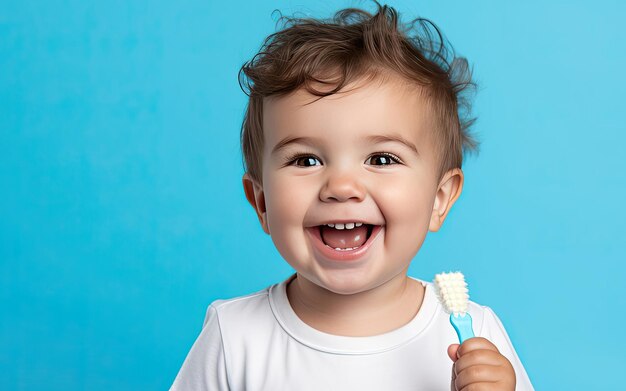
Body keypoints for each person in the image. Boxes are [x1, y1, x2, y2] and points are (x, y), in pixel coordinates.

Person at [171, 2, 533, 390]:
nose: (341, 186)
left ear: (439, 199)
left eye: (381, 158)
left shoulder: (474, 335)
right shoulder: (235, 337)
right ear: (261, 201)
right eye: (306, 160)